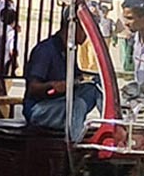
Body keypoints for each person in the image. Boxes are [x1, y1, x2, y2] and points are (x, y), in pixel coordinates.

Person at [23, 8, 100, 141]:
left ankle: (111, 127)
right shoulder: (45, 50)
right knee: (78, 104)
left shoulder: (70, 50)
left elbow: (78, 76)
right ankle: (75, 144)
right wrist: (53, 85)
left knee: (96, 88)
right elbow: (33, 88)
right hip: (40, 109)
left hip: (61, 103)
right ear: (73, 26)